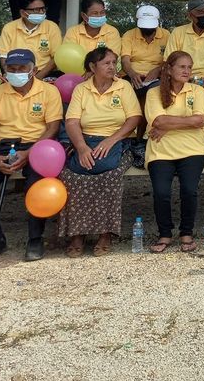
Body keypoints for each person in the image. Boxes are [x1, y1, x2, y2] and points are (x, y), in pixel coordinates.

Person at [0, 49, 63, 262]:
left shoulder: (49, 92)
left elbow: (53, 128)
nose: (16, 72)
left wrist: (29, 153)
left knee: (36, 187)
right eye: (11, 68)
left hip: (37, 147)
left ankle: (35, 239)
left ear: (33, 70)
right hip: (2, 148)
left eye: (21, 68)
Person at [59, 48, 142, 257]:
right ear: (92, 67)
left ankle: (105, 234)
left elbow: (134, 118)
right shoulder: (82, 89)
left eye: (114, 62)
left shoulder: (123, 86)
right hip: (86, 140)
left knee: (109, 173)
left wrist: (111, 140)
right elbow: (72, 122)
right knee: (72, 174)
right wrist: (81, 147)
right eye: (106, 63)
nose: (112, 67)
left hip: (117, 140)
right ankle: (77, 234)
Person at [144, 51, 204, 253]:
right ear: (168, 69)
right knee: (161, 192)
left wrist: (167, 126)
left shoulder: (197, 91)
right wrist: (187, 122)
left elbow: (202, 120)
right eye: (182, 66)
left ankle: (186, 233)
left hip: (193, 148)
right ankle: (165, 233)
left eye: (189, 67)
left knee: (189, 190)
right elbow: (158, 121)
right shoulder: (154, 92)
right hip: (161, 150)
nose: (187, 71)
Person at [121, 4, 168, 164]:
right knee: (126, 95)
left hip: (156, 77)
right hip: (132, 75)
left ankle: (140, 140)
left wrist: (157, 70)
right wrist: (132, 73)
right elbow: (125, 60)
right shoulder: (129, 35)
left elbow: (169, 59)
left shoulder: (166, 35)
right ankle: (128, 139)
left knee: (151, 95)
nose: (147, 30)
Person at [0, 0, 62, 78]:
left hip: (44, 74)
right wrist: (11, 75)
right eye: (36, 10)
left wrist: (37, 78)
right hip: (17, 73)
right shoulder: (9, 28)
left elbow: (56, 58)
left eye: (43, 8)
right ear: (23, 13)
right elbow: (3, 56)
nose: (42, 12)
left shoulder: (51, 27)